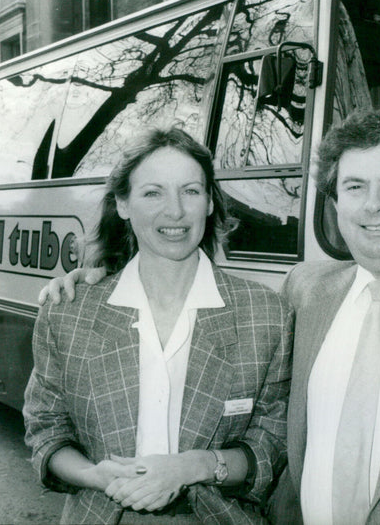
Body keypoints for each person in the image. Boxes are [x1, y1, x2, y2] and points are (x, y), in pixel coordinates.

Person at [41, 107, 380, 524]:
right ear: (335, 201)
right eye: (354, 187)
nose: (374, 206)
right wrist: (94, 276)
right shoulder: (304, 294)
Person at [23, 127, 293, 525]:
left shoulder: (266, 314)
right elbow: (46, 430)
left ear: (209, 203)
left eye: (190, 191)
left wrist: (194, 466)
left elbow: (272, 443)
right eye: (153, 193)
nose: (176, 212)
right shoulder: (69, 311)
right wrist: (92, 475)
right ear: (123, 204)